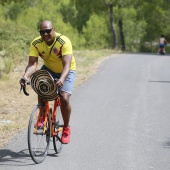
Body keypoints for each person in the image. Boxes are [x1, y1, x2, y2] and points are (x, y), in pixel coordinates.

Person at [20, 20, 76, 144]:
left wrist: (61, 79)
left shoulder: (63, 41)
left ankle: (66, 127)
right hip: (49, 69)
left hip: (66, 71)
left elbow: (67, 65)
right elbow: (32, 64)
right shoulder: (36, 43)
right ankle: (42, 116)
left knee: (64, 98)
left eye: (48, 31)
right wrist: (25, 76)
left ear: (53, 30)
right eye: (42, 32)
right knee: (41, 85)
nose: (45, 34)